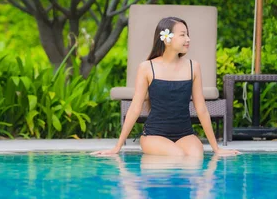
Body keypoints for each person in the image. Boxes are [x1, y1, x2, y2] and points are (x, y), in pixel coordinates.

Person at [93, 17, 239, 157]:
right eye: (182, 35)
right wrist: (117, 147)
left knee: (195, 156)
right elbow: (135, 108)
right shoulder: (147, 68)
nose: (188, 39)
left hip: (184, 134)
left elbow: (201, 109)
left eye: (188, 35)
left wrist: (216, 148)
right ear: (167, 39)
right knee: (177, 155)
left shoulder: (193, 67)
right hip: (154, 135)